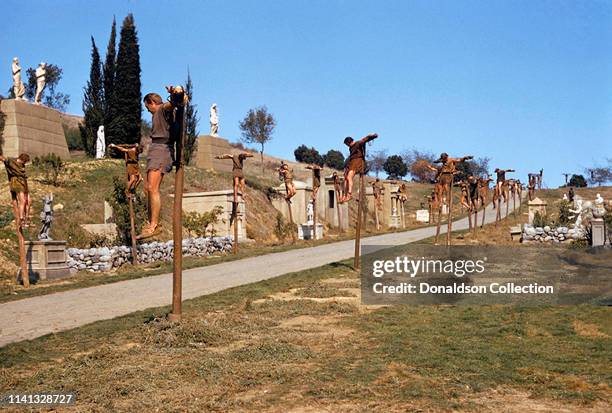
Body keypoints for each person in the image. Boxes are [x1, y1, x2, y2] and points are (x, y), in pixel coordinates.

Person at [138, 86, 188, 240]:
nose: (147, 110)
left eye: (147, 106)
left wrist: (176, 93)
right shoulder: (160, 113)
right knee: (147, 188)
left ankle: (154, 225)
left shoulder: (161, 110)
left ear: (151, 102)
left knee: (153, 188)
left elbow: (172, 104)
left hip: (161, 150)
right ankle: (151, 222)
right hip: (156, 149)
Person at [340, 133, 378, 203]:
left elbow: (364, 140)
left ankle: (349, 194)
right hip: (351, 162)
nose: (347, 145)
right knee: (345, 178)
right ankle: (344, 195)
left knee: (349, 177)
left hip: (357, 162)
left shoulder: (357, 143)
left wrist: (371, 136)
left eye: (346, 144)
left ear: (349, 142)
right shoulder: (350, 148)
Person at [1, 153, 32, 228]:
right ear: (22, 159)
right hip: (16, 182)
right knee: (22, 201)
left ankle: (26, 217)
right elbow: (3, 158)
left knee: (29, 201)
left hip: (23, 182)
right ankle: (21, 219)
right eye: (25, 161)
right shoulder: (11, 161)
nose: (25, 163)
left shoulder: (22, 165)